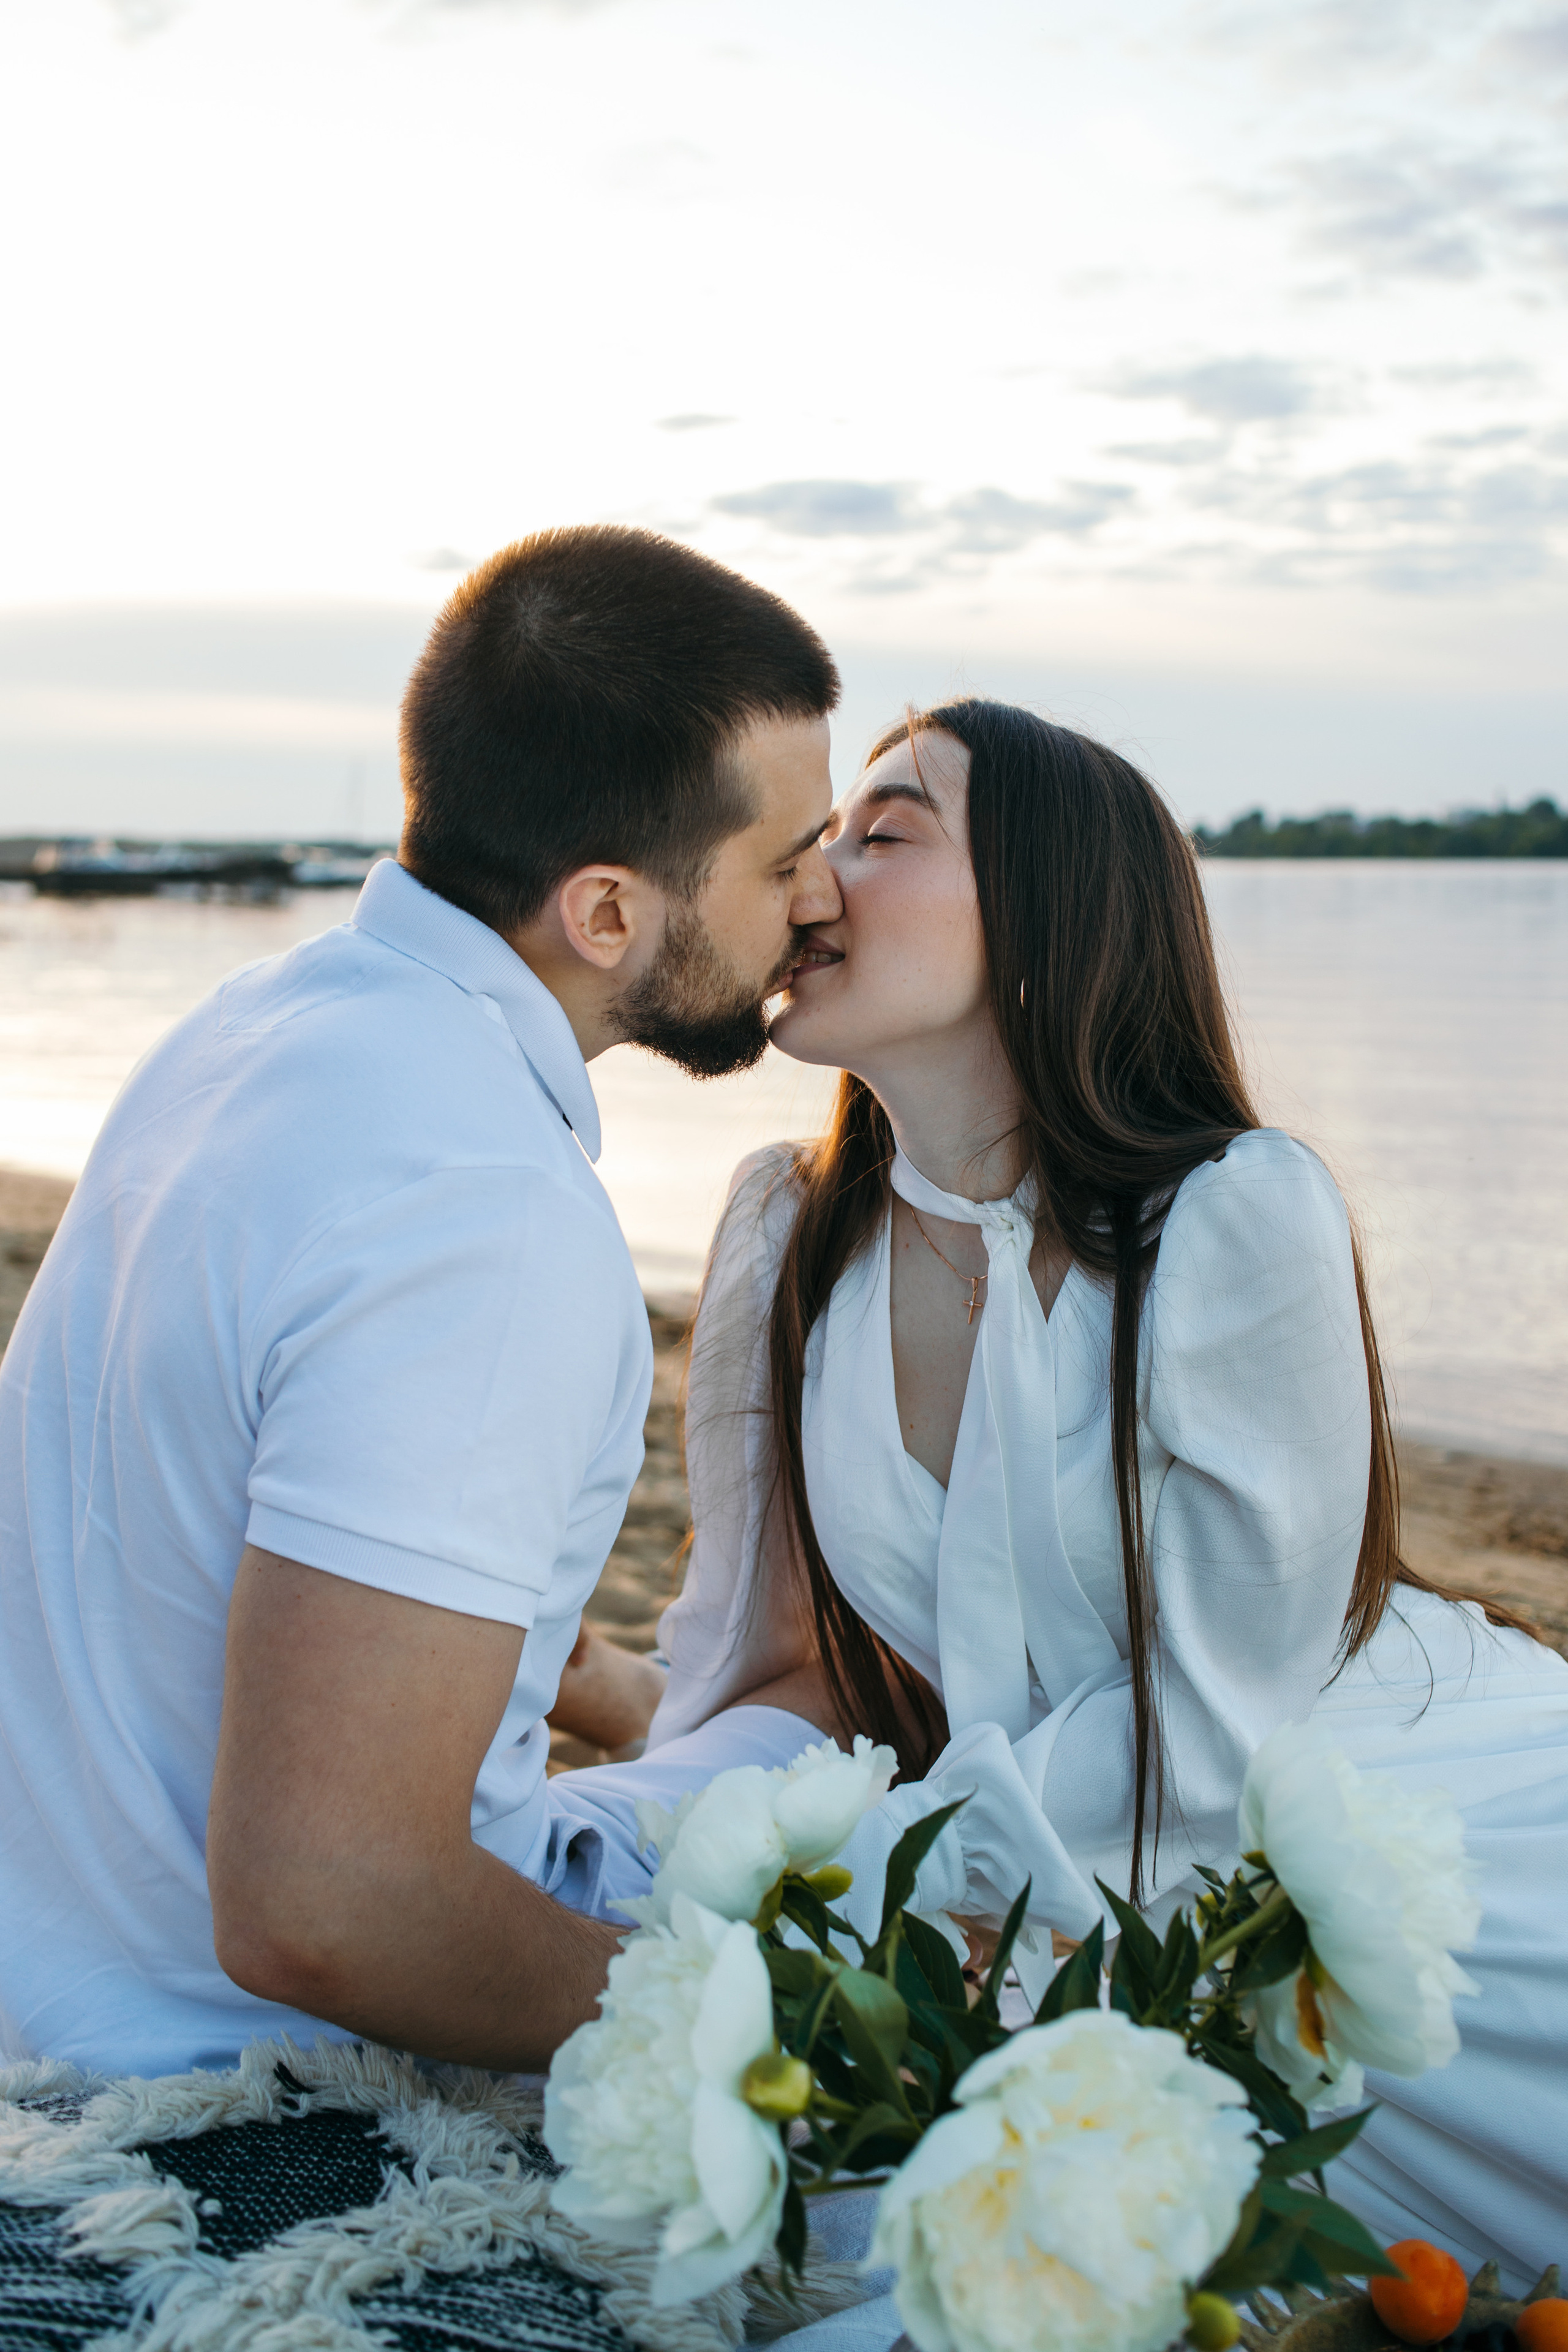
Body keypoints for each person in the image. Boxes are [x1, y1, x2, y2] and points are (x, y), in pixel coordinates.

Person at [556, 699, 1568, 2292]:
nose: (809, 878)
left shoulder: (1234, 1218)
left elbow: (1210, 1744)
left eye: (883, 836)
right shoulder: (784, 1235)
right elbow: (754, 1655)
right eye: (818, 839)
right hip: (1001, 1868)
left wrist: (872, 1878)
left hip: (1342, 1850)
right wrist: (673, 1802)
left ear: (1050, 920)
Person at [0, 525, 844, 2078]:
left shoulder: (252, 1030)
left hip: (52, 1932)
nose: (819, 898)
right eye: (783, 860)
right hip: (211, 2051)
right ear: (605, 913)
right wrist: (769, 2043)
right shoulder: (484, 1213)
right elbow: (331, 1906)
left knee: (800, 1750)